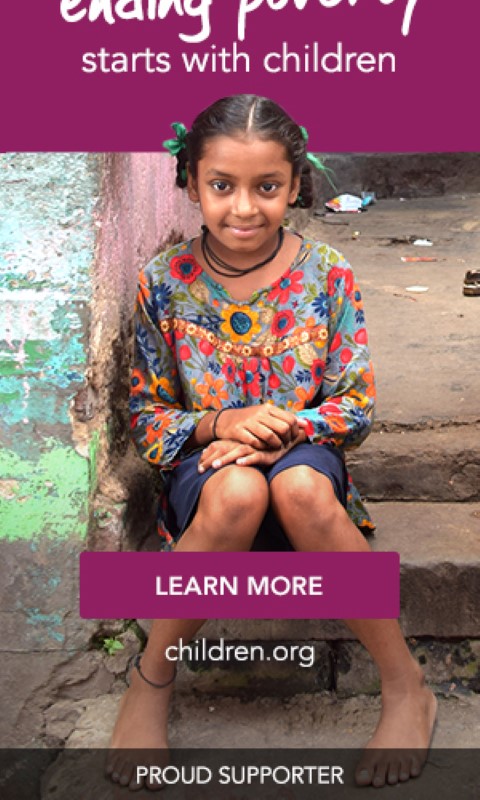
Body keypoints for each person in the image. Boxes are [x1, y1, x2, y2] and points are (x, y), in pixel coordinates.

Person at [108, 95, 436, 789]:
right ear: (191, 183)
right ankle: (150, 681)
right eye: (221, 186)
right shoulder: (163, 285)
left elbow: (355, 404)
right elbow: (145, 412)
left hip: (304, 462)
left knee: (296, 483)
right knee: (235, 488)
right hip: (212, 476)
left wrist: (284, 428)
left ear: (295, 185)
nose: (244, 209)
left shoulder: (326, 273)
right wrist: (221, 424)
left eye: (268, 187)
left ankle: (406, 685)